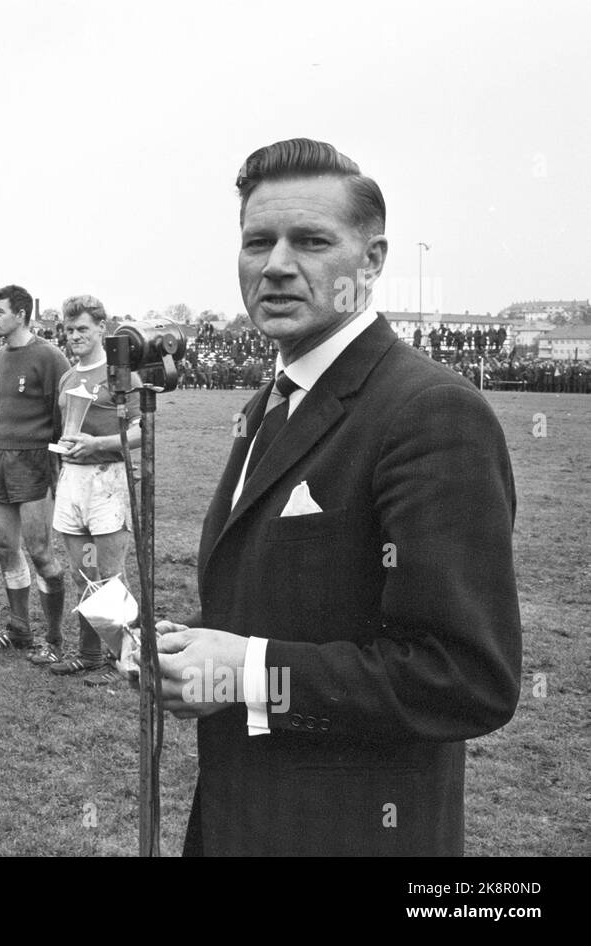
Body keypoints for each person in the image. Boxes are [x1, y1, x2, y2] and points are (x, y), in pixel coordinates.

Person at [157, 138, 521, 856]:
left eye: (312, 241)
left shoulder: (430, 411)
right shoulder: (274, 399)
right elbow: (289, 605)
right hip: (239, 817)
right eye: (257, 241)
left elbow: (465, 676)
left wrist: (246, 669)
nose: (277, 265)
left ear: (374, 259)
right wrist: (193, 652)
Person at [45, 296, 138, 686]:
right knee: (83, 573)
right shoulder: (68, 376)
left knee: (110, 574)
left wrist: (98, 444)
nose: (75, 336)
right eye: (69, 330)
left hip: (107, 480)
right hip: (73, 481)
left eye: (83, 328)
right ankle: (88, 655)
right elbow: (60, 429)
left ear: (102, 327)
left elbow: (142, 430)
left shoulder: (120, 374)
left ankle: (127, 661)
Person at [0, 284, 70, 657]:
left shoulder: (49, 356)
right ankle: (19, 629)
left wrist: (57, 465)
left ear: (21, 314)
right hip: (1, 458)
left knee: (40, 552)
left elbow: (63, 413)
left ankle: (54, 638)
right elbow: (2, 408)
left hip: (35, 460)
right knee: (3, 547)